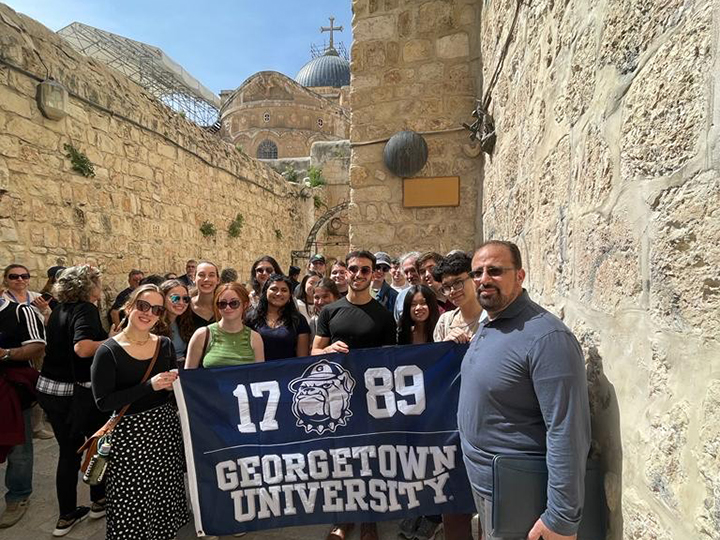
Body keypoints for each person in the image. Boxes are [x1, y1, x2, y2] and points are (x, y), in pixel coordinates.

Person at [459, 241, 591, 540]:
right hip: (486, 484)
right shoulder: (489, 323)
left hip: (518, 490)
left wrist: (561, 517)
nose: (483, 279)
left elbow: (567, 430)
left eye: (495, 271)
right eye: (477, 273)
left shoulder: (547, 338)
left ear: (520, 276)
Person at [91, 284, 188, 540]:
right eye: (143, 306)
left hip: (164, 429)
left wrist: (175, 383)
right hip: (129, 435)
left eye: (156, 309)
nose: (148, 313)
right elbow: (103, 402)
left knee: (163, 491)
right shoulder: (108, 350)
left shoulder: (165, 344)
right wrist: (149, 386)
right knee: (131, 496)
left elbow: (169, 390)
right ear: (130, 307)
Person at [312, 251, 396, 540]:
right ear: (345, 273)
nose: (358, 275)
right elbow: (312, 353)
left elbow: (389, 362)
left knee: (370, 457)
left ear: (373, 274)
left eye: (364, 270)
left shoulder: (384, 316)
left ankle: (369, 518)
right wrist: (327, 350)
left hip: (370, 399)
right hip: (335, 400)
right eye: (353, 269)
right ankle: (343, 518)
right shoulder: (329, 311)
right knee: (340, 458)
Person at [35, 265, 114, 536]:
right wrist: (112, 339)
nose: (99, 287)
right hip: (75, 393)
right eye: (96, 282)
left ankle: (66, 515)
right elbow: (82, 347)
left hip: (49, 388)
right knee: (96, 445)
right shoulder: (86, 309)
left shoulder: (60, 308)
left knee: (68, 452)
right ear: (87, 286)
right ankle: (99, 500)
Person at [0, 298, 46, 529]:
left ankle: (18, 495)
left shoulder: (19, 311)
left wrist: (4, 353)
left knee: (19, 446)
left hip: (10, 389)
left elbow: (37, 346)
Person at [185, 283, 263, 368]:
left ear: (245, 305)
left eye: (234, 303)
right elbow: (189, 376)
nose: (228, 308)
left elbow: (259, 376)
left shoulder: (255, 338)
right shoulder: (202, 335)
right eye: (222, 304)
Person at [246, 275, 310, 360]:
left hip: (288, 371)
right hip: (257, 371)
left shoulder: (299, 320)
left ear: (290, 295)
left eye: (284, 290)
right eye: (274, 289)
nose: (279, 293)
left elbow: (302, 359)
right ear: (265, 292)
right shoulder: (251, 318)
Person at [433, 252, 484, 343]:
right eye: (446, 287)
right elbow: (437, 356)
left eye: (457, 283)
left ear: (473, 278)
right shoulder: (444, 322)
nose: (452, 291)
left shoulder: (490, 318)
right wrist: (446, 345)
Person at [156, 280, 195, 367]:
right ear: (162, 298)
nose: (181, 303)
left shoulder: (185, 322)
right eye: (175, 298)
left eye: (185, 299)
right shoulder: (152, 323)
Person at [189, 261, 220, 330]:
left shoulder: (226, 307)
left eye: (211, 275)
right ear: (194, 278)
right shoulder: (185, 308)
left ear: (218, 280)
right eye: (201, 275)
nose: (206, 279)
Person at [393, 251, 422, 322]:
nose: (410, 276)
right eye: (406, 272)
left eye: (413, 270)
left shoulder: (434, 293)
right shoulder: (401, 297)